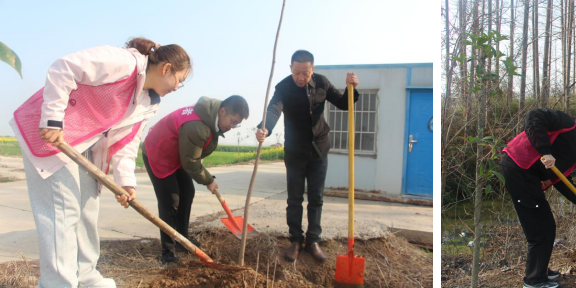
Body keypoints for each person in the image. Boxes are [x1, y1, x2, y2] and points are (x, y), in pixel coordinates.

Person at [10, 37, 190, 287]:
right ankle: (57, 282)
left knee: (87, 209)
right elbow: (64, 67)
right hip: (51, 135)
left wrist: (126, 182)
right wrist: (52, 119)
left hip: (85, 146)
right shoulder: (124, 62)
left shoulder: (150, 103)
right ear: (166, 68)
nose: (177, 88)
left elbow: (128, 141)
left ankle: (86, 277)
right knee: (63, 212)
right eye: (179, 81)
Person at [255, 50, 359, 263]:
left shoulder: (322, 83)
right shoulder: (283, 88)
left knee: (316, 197)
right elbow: (273, 109)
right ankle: (295, 240)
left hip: (319, 149)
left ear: (312, 69)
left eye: (306, 73)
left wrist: (352, 90)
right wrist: (265, 127)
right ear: (290, 69)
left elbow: (343, 103)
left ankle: (313, 240)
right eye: (296, 73)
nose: (301, 77)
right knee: (294, 198)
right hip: (295, 151)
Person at [500, 108, 576, 288]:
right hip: (518, 168)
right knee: (541, 226)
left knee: (545, 224)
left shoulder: (572, 152)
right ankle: (534, 280)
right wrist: (545, 151)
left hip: (527, 176)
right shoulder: (567, 124)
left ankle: (540, 270)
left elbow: (562, 180)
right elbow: (534, 116)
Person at [142, 95, 250, 264]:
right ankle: (168, 251)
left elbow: (194, 151)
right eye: (233, 121)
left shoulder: (210, 117)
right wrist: (208, 180)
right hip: (159, 153)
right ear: (222, 111)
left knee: (187, 192)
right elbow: (190, 162)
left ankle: (181, 239)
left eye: (237, 123)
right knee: (171, 201)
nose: (233, 126)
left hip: (176, 154)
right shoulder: (197, 125)